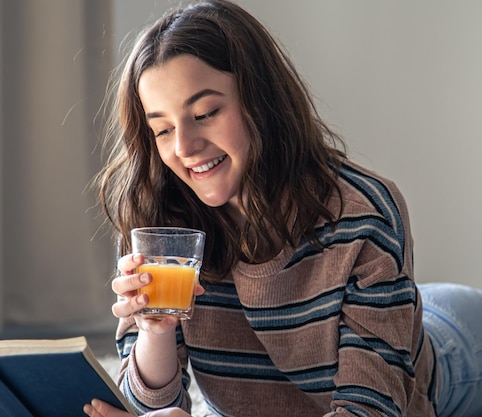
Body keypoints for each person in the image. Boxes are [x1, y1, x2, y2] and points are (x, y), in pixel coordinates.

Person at [84, 1, 482, 416]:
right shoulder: (160, 217)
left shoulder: (363, 212)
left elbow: (371, 409)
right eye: (162, 129)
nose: (183, 147)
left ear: (261, 101)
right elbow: (146, 406)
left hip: (457, 349)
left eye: (205, 113)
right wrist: (154, 332)